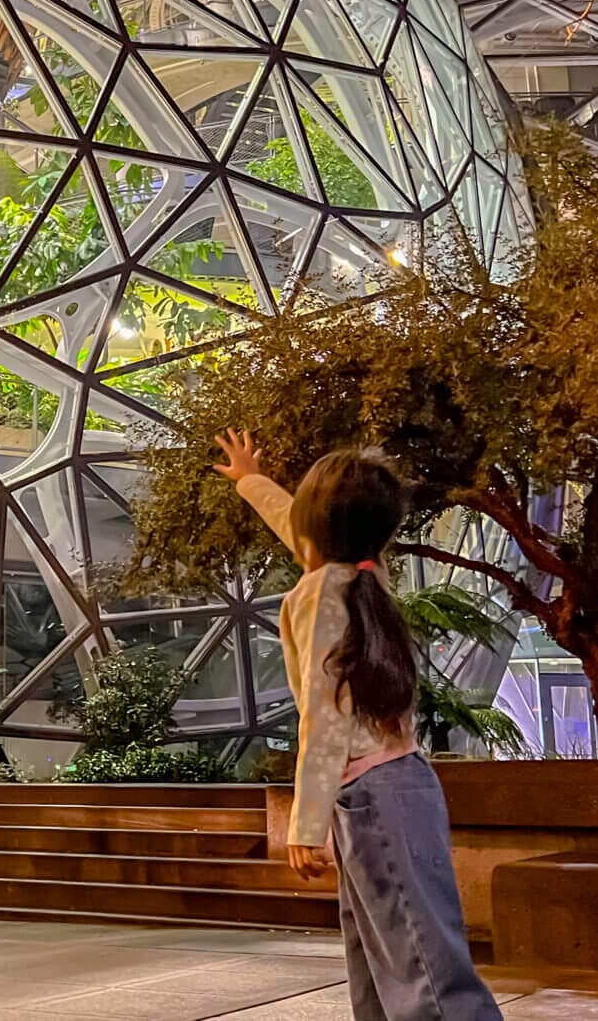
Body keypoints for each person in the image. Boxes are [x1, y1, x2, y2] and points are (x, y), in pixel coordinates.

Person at [213, 429, 500, 1021]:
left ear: (319, 527)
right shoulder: (363, 576)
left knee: (419, 965)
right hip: (385, 789)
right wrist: (250, 482)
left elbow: (327, 715)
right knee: (384, 958)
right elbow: (297, 524)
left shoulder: (324, 592)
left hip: (372, 793)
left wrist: (305, 822)